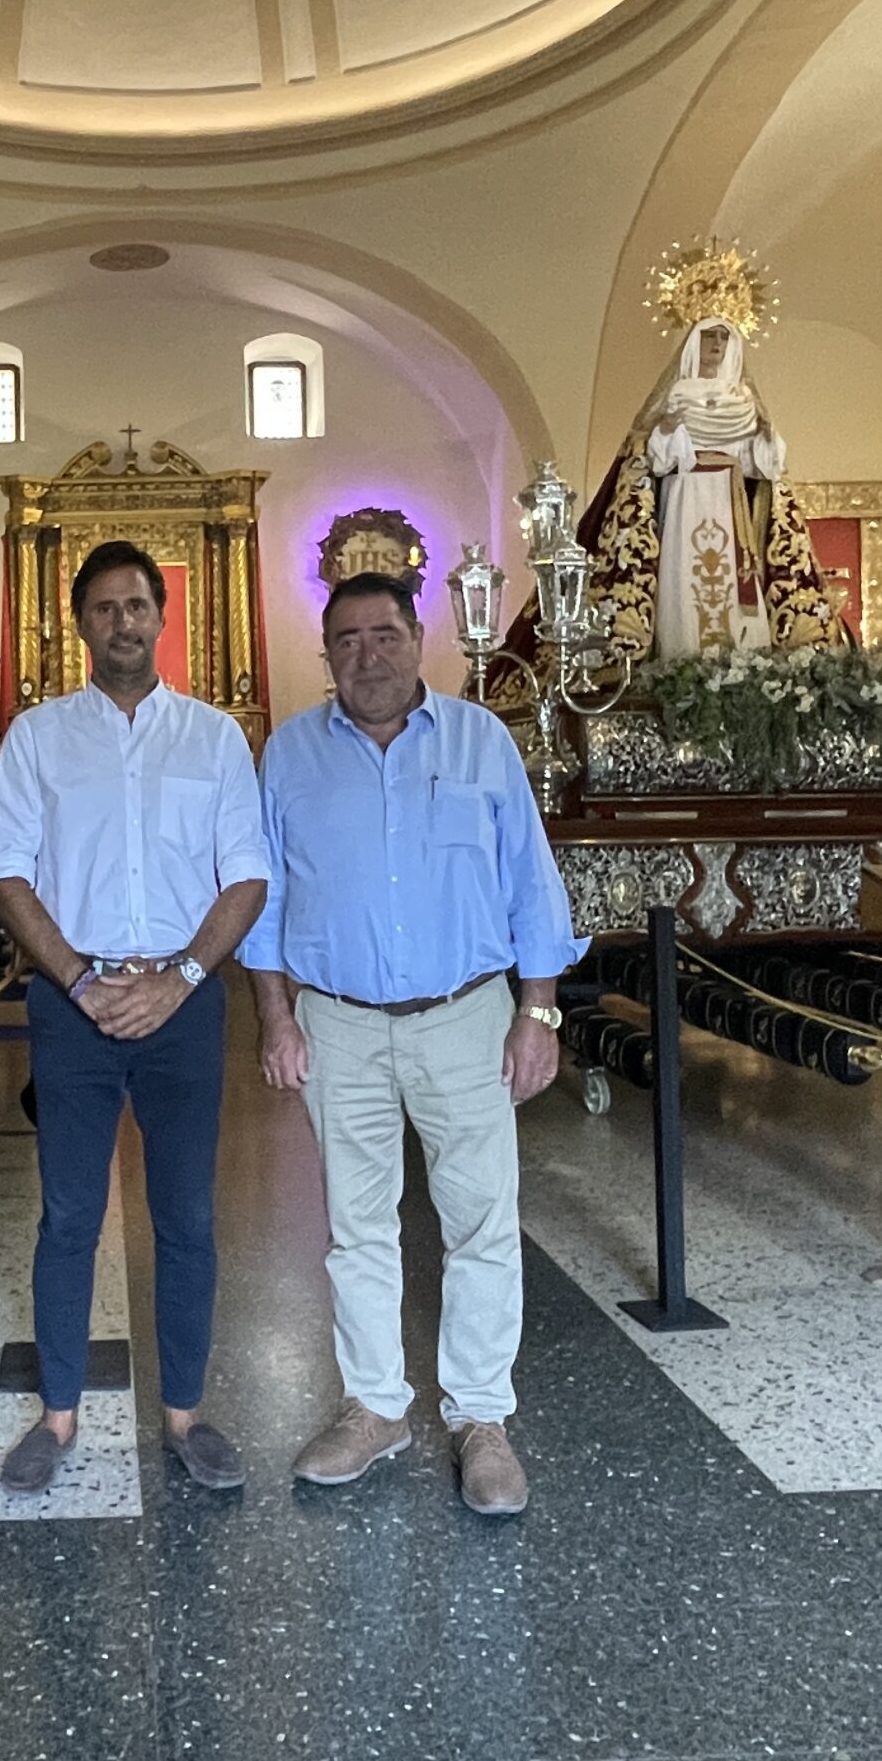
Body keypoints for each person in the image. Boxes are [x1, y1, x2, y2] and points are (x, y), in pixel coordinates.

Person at [244, 571, 585, 1516]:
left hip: (466, 1017)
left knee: (480, 1221)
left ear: (419, 638)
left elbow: (531, 884)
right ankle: (375, 1408)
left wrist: (538, 1014)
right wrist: (274, 1016)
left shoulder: (481, 741)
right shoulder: (290, 754)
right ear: (327, 655)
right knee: (356, 1226)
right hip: (337, 1022)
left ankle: (481, 1420)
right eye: (347, 641)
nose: (368, 656)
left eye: (384, 635)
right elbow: (264, 894)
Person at [0, 539, 270, 1494]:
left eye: (137, 606)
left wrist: (180, 978)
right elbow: (4, 870)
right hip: (74, 1006)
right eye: (103, 608)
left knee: (185, 1215)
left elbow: (247, 875)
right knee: (69, 1214)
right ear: (80, 624)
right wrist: (75, 977)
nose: (122, 623)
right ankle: (57, 1415)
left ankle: (185, 1413)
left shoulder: (214, 738)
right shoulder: (37, 738)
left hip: (183, 1004)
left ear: (161, 616)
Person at [576, 316, 841, 662]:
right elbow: (657, 462)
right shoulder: (676, 396)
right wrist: (667, 430)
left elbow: (761, 468)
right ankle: (681, 655)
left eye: (723, 338)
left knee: (733, 578)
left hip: (729, 498)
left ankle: (741, 657)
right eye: (709, 336)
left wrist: (765, 437)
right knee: (686, 574)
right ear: (693, 343)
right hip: (686, 493)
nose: (716, 344)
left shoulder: (743, 400)